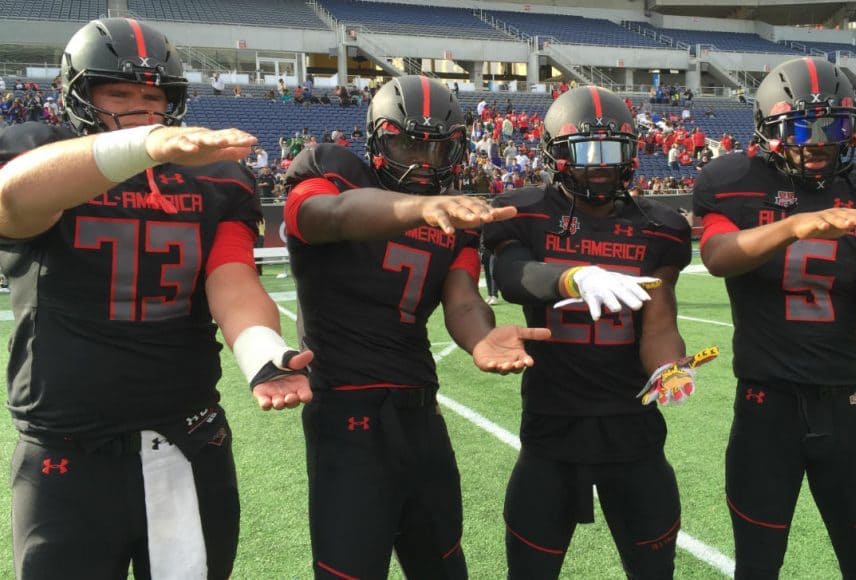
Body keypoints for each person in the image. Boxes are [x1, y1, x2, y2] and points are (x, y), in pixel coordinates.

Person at [0, 18, 313, 579]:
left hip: (184, 441)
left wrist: (262, 352)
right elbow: (14, 200)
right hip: (64, 450)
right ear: (78, 95)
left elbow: (233, 277)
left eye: (154, 98)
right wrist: (143, 147)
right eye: (118, 94)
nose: (141, 111)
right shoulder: (39, 154)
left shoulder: (216, 177)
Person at [692, 56, 856, 579]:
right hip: (765, 408)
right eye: (801, 125)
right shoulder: (735, 182)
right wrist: (794, 226)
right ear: (769, 130)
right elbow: (718, 255)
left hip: (846, 404)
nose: (818, 139)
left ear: (852, 128)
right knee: (757, 564)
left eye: (832, 125)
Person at [284, 75, 551, 579]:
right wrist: (419, 209)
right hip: (345, 408)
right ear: (377, 138)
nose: (423, 161)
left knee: (443, 565)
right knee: (351, 568)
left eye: (437, 148)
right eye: (408, 142)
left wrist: (480, 337)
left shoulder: (452, 213)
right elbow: (331, 215)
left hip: (419, 409)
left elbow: (462, 297)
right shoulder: (332, 171)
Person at [483, 86, 699, 578]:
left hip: (633, 427)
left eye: (612, 151)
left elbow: (660, 323)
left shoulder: (659, 227)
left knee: (654, 570)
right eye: (585, 150)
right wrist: (572, 275)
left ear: (631, 156)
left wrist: (669, 367)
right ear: (556, 154)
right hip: (552, 425)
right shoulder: (527, 212)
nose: (600, 165)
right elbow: (514, 276)